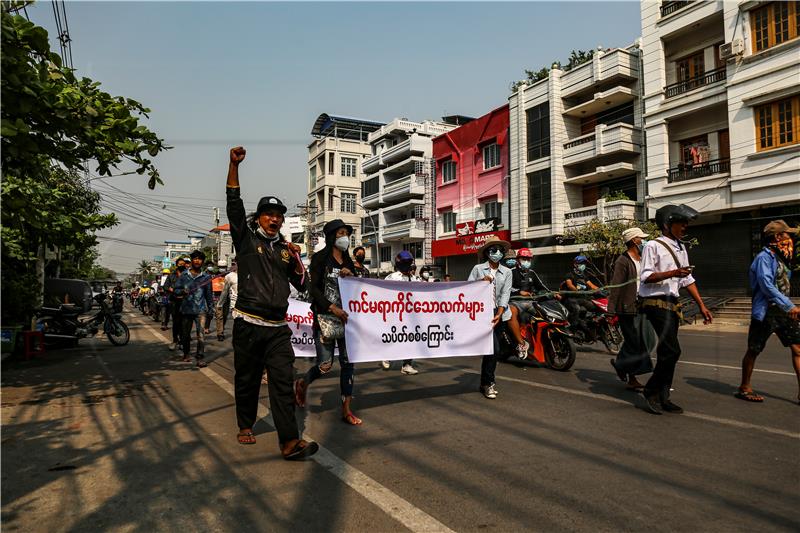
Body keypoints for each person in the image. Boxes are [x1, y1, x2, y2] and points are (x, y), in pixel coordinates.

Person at [226, 146, 318, 459]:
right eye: (269, 215)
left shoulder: (285, 251)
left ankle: (289, 441)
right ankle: (245, 424)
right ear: (259, 218)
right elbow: (234, 206)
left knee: (282, 381)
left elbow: (302, 284)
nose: (275, 220)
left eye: (279, 216)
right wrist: (233, 165)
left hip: (278, 328)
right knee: (247, 378)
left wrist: (296, 258)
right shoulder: (246, 240)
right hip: (248, 324)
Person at [639, 204, 713, 415]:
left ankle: (663, 396)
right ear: (666, 225)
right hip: (655, 303)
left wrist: (702, 305)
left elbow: (688, 279)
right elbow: (645, 277)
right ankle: (651, 390)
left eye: (685, 224)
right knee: (673, 350)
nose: (684, 227)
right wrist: (673, 273)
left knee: (666, 351)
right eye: (681, 223)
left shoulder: (681, 247)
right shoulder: (653, 246)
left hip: (672, 303)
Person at [294, 219, 362, 425]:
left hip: (347, 319)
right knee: (325, 365)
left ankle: (346, 409)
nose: (345, 237)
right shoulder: (319, 259)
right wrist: (332, 308)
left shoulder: (348, 261)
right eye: (341, 233)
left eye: (346, 233)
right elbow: (312, 289)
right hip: (326, 317)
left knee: (348, 363)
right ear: (332, 236)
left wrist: (351, 274)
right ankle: (303, 383)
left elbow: (358, 286)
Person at [736, 220, 800, 404]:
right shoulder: (764, 258)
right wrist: (790, 306)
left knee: (798, 348)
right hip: (765, 312)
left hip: (783, 312)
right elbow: (766, 286)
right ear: (777, 237)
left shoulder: (781, 258)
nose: (790, 239)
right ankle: (744, 387)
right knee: (754, 350)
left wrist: (787, 307)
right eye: (787, 235)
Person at [468, 236, 513, 399]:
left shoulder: (507, 272)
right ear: (487, 253)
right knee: (494, 349)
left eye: (500, 250)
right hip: (482, 313)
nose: (497, 253)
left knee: (492, 350)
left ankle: (484, 382)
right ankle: (488, 383)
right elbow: (468, 289)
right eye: (493, 250)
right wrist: (481, 281)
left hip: (499, 313)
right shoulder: (478, 269)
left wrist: (500, 313)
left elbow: (506, 293)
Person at [608, 228, 653, 391]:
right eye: (642, 238)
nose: (644, 241)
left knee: (645, 340)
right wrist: (610, 310)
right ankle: (630, 375)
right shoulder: (623, 260)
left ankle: (621, 365)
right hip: (626, 308)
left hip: (642, 306)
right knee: (634, 341)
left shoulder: (644, 258)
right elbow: (616, 287)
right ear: (634, 240)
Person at [381, 250, 421, 375]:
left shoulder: (415, 278)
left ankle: (407, 364)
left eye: (409, 262)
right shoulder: (391, 277)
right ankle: (386, 355)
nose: (407, 264)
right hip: (395, 313)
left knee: (410, 338)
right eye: (405, 262)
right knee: (393, 335)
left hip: (411, 315)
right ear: (398, 263)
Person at [507, 248, 550, 359]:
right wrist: (519, 292)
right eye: (524, 259)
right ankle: (521, 344)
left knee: (546, 313)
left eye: (528, 259)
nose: (526, 261)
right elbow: (506, 289)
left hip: (531, 302)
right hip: (515, 302)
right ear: (518, 260)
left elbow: (541, 287)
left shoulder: (532, 273)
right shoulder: (510, 272)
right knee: (511, 313)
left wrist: (552, 294)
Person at [174, 250, 214, 367]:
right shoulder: (184, 276)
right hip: (186, 310)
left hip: (201, 311)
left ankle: (200, 357)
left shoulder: (206, 277)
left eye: (199, 259)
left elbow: (209, 295)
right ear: (191, 261)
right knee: (185, 335)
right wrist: (182, 291)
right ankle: (186, 354)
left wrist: (211, 310)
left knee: (201, 335)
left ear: (202, 262)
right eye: (195, 258)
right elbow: (176, 290)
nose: (197, 261)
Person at [561, 255, 600, 339]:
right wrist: (576, 290)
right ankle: (572, 330)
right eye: (582, 263)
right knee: (577, 309)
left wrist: (602, 290)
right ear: (575, 264)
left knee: (595, 306)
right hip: (570, 299)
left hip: (582, 298)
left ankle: (591, 325)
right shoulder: (569, 274)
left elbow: (592, 285)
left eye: (584, 263)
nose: (583, 265)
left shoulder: (584, 276)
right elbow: (569, 285)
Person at [164, 257, 188, 345]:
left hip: (185, 301)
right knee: (176, 321)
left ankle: (183, 340)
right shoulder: (171, 275)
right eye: (179, 264)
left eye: (183, 264)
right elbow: (166, 286)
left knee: (184, 322)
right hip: (174, 301)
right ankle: (175, 339)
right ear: (176, 265)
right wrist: (170, 289)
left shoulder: (188, 275)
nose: (181, 265)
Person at [216, 260, 237, 341]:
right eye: (221, 267)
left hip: (228, 299)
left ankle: (222, 329)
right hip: (217, 298)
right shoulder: (215, 275)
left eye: (224, 267)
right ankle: (220, 333)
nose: (222, 269)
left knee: (224, 316)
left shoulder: (229, 275)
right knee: (219, 316)